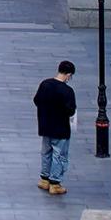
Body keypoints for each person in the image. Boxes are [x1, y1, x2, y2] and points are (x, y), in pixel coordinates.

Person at [34, 61, 78, 195]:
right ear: (69, 75)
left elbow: (36, 100)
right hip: (60, 128)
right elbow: (71, 111)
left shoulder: (45, 84)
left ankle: (44, 179)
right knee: (59, 155)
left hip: (45, 125)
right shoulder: (67, 91)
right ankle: (55, 183)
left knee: (46, 153)